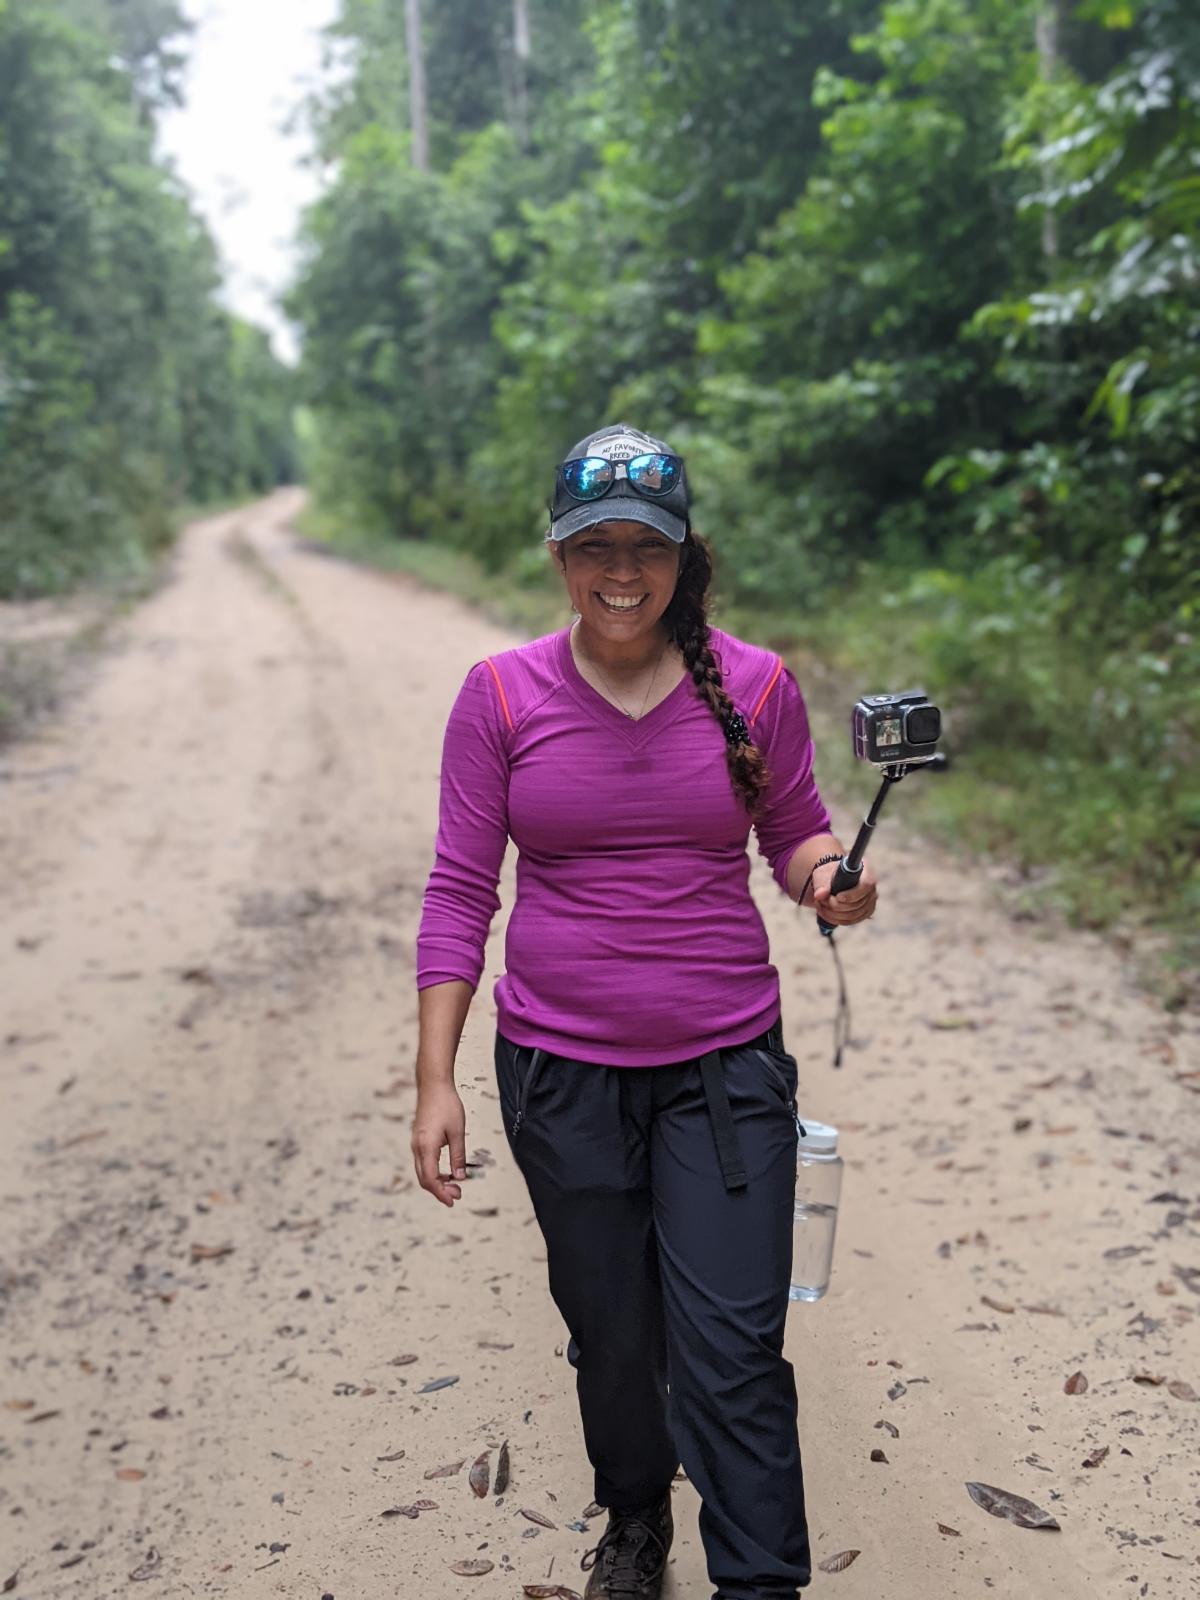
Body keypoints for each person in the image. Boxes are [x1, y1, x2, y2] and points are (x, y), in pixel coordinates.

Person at [411, 423, 878, 1600]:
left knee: (730, 1351)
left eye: (647, 547)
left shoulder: (757, 685)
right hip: (560, 1073)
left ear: (684, 553)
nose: (624, 571)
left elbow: (798, 831)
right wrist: (433, 1081)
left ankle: (760, 1581)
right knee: (613, 1334)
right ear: (561, 556)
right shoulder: (501, 695)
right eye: (596, 546)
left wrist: (833, 879)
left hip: (723, 1069)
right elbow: (462, 888)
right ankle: (634, 1515)